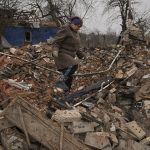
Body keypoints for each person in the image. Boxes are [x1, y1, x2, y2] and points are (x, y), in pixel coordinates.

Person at [52, 16, 85, 94]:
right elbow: (57, 41)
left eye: (80, 27)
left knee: (70, 77)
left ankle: (65, 93)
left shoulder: (76, 33)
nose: (79, 28)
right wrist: (55, 51)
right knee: (73, 65)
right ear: (73, 24)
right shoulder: (65, 29)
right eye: (78, 26)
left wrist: (82, 56)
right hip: (61, 54)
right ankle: (60, 81)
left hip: (70, 56)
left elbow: (76, 47)